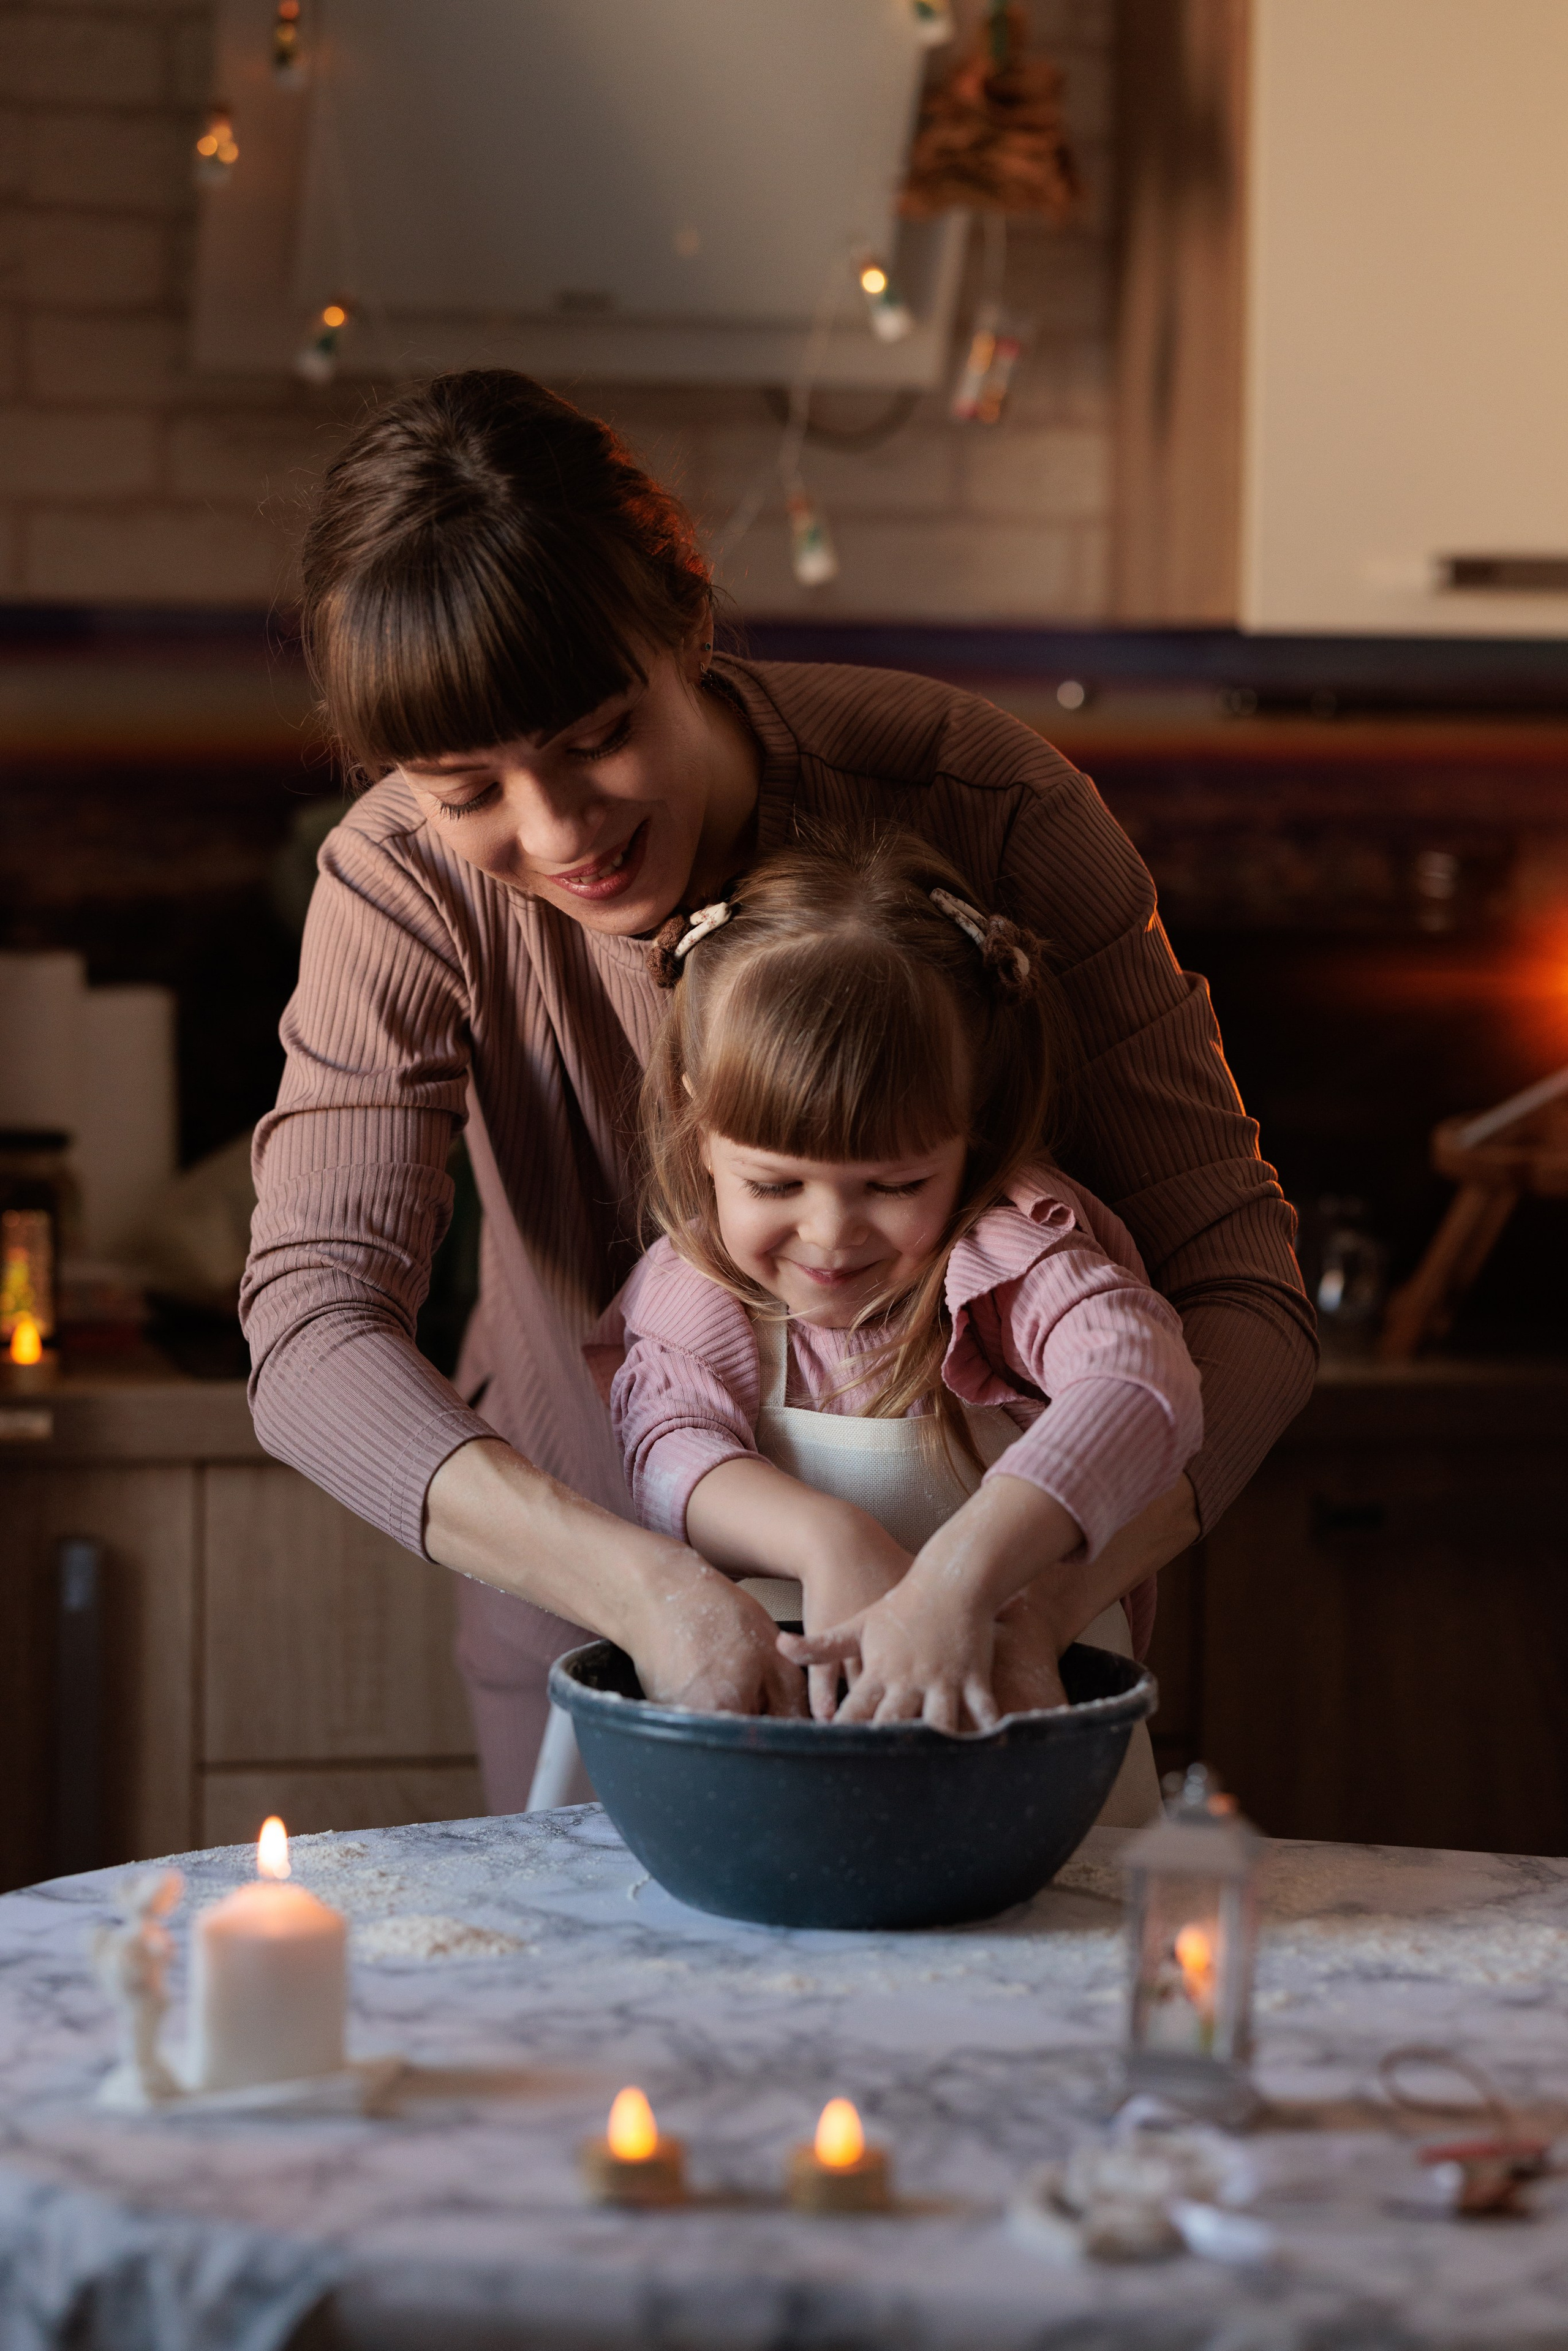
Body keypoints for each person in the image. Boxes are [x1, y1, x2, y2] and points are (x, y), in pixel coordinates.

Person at [240, 368, 1315, 1812]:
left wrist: (1029, 1597)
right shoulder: (398, 880)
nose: (555, 832)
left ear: (685, 624)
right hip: (594, 1619)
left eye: (596, 735)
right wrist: (652, 1590)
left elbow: (1241, 1296)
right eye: (465, 788)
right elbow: (311, 1327)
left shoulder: (980, 799)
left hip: (1005, 1645)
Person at [591, 827, 1203, 1807]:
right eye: (774, 1183)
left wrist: (958, 1579)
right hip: (785, 1770)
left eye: (896, 1183)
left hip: (1022, 1756)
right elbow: (667, 1455)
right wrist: (828, 1542)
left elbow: (1143, 1381)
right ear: (695, 1120)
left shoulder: (1001, 1262)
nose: (830, 1236)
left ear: (972, 1131)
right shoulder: (703, 1285)